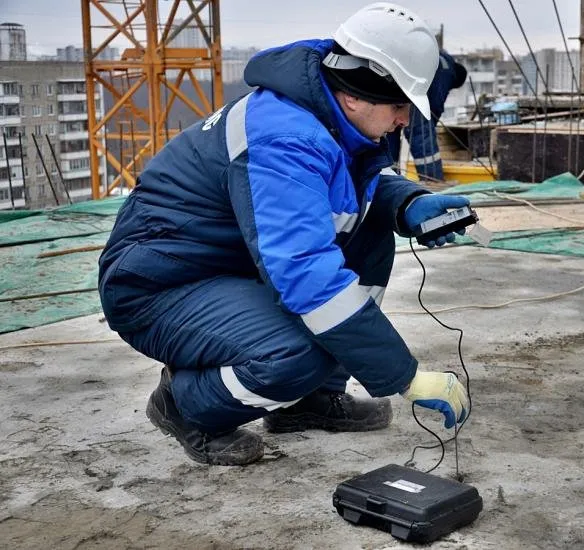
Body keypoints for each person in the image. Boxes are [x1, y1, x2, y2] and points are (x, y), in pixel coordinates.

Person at [98, 3, 471, 466]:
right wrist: (407, 377)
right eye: (400, 107)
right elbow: (306, 275)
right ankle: (186, 404)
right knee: (296, 352)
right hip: (160, 286)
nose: (403, 122)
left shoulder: (331, 113)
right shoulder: (286, 137)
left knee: (370, 229)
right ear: (356, 95)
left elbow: (341, 184)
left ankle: (308, 402)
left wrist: (407, 202)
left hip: (227, 265)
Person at [386, 48, 467, 180]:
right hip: (412, 91)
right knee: (422, 136)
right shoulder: (448, 70)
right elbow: (436, 103)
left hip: (394, 86)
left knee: (389, 131)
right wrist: (430, 125)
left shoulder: (438, 55)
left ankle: (389, 179)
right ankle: (432, 180)